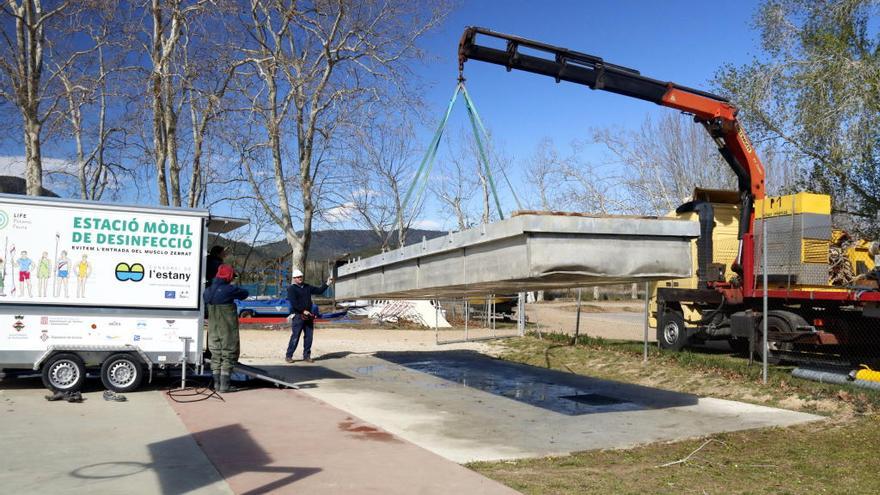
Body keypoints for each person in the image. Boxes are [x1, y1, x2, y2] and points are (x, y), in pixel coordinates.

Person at [203, 263, 249, 392]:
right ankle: (225, 385)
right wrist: (235, 286)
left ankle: (217, 384)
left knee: (216, 354)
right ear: (228, 276)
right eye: (231, 276)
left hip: (213, 329)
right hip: (227, 328)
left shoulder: (207, 291)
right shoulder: (229, 289)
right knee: (228, 353)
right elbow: (245, 293)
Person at [285, 269, 333, 363]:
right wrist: (303, 310)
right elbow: (294, 303)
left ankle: (306, 356)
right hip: (298, 316)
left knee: (309, 337)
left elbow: (319, 291)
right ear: (294, 278)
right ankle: (289, 356)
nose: (299, 278)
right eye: (297, 277)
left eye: (300, 277)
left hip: (308, 316)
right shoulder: (291, 289)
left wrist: (327, 283)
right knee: (295, 336)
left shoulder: (307, 287)